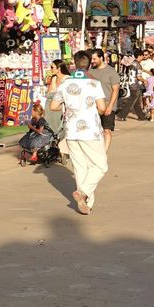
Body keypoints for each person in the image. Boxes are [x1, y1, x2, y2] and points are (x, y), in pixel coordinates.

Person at [49, 50, 109, 215]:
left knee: (80, 167)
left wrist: (68, 107)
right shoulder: (94, 83)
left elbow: (53, 107)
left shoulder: (65, 84)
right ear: (89, 64)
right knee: (100, 166)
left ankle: (86, 204)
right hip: (91, 131)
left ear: (74, 64)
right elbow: (102, 109)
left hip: (72, 131)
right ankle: (83, 193)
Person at [88, 51, 121, 152]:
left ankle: (104, 152)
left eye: (94, 59)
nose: (92, 61)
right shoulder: (91, 71)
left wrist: (111, 106)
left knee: (107, 130)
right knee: (95, 130)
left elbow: (115, 90)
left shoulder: (111, 71)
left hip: (108, 104)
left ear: (101, 58)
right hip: (94, 105)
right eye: (91, 59)